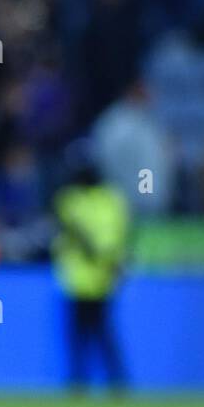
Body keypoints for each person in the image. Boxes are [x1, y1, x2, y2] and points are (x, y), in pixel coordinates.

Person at [52, 144, 129, 389]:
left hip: (99, 278)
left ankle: (113, 381)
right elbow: (81, 233)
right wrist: (109, 259)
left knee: (100, 335)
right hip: (82, 278)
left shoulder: (107, 199)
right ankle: (82, 381)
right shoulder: (74, 199)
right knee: (85, 336)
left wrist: (111, 261)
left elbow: (118, 234)